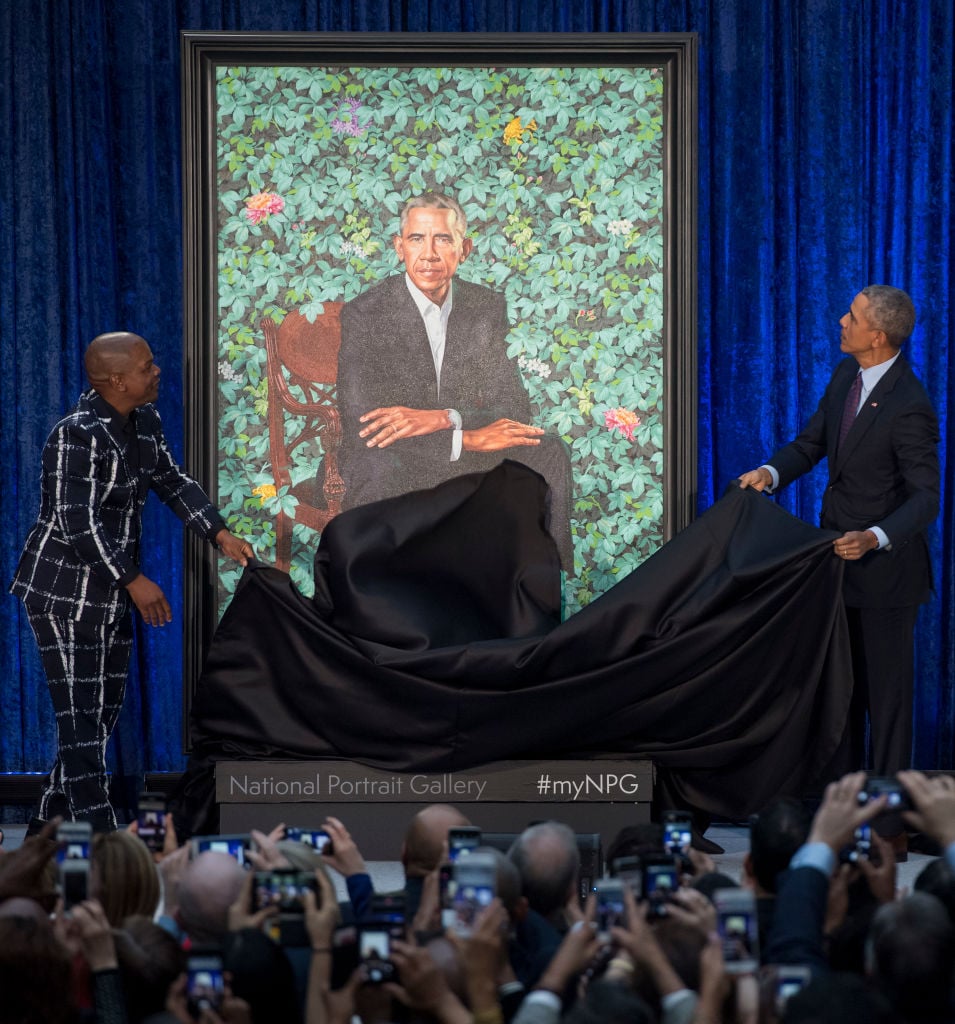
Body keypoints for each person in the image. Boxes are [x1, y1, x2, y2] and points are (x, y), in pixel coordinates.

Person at [9, 332, 255, 833]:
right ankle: (102, 839)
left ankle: (42, 830)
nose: (157, 370)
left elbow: (171, 481)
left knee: (97, 720)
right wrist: (134, 580)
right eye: (147, 366)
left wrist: (219, 531)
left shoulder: (145, 421)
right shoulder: (74, 435)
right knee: (79, 725)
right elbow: (78, 523)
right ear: (116, 379)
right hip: (63, 594)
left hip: (110, 592)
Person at [739, 285, 940, 786]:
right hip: (836, 569)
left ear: (877, 334)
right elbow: (810, 444)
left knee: (887, 705)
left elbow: (926, 498)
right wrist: (770, 472)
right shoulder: (846, 374)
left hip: (886, 578)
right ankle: (843, 807)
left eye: (851, 317)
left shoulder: (909, 403)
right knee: (842, 694)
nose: (840, 323)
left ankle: (889, 825)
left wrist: (875, 536)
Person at [337, 191, 573, 567]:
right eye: (417, 239)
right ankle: (384, 607)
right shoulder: (366, 314)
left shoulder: (486, 307)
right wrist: (466, 440)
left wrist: (445, 418)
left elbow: (512, 404)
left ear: (464, 249)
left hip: (459, 453)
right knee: (380, 468)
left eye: (442, 239)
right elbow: (365, 424)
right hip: (391, 457)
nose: (428, 253)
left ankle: (545, 590)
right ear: (399, 247)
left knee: (547, 450)